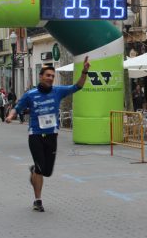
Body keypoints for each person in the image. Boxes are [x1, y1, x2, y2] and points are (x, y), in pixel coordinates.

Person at [6, 56, 90, 212]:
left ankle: (34, 172)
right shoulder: (30, 94)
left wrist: (84, 71)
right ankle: (38, 200)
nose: (51, 78)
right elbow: (17, 108)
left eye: (52, 76)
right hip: (35, 135)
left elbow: (77, 86)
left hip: (52, 136)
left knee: (47, 171)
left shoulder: (58, 91)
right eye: (48, 75)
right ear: (41, 76)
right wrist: (11, 116)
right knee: (39, 167)